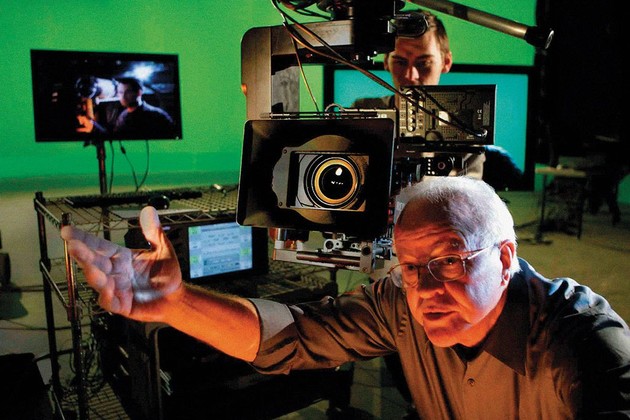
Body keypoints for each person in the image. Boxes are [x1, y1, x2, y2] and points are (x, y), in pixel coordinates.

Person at [61, 176, 630, 418]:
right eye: (410, 267)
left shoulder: (586, 347)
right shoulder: (402, 302)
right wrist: (175, 304)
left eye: (449, 260)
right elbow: (296, 336)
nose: (424, 289)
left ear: (505, 258)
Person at [351, 9, 485, 179]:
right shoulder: (363, 113)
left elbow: (469, 193)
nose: (410, 76)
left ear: (446, 62)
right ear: (386, 62)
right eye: (400, 62)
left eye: (424, 63)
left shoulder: (465, 127)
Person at [113, 77, 177, 139]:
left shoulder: (156, 115)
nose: (123, 96)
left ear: (139, 93)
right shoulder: (122, 116)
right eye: (120, 92)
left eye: (128, 92)